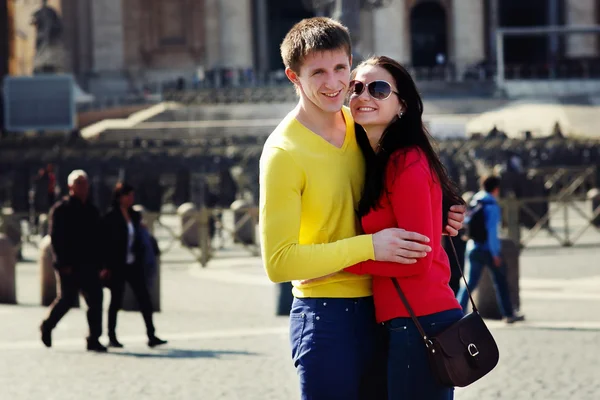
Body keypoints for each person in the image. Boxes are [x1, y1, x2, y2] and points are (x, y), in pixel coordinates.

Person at [259, 17, 466, 400]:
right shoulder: (282, 154)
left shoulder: (361, 121)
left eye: (341, 69)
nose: (334, 83)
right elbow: (278, 263)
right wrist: (369, 247)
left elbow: (406, 181)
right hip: (326, 316)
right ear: (293, 76)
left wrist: (445, 211)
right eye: (317, 72)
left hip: (385, 310)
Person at [343, 56, 466, 399]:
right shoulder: (379, 160)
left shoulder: (404, 160)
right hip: (407, 320)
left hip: (421, 320)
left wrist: (337, 258)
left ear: (401, 106)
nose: (364, 95)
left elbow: (419, 258)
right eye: (356, 87)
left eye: (378, 89)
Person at [40, 170, 107, 352]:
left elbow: (99, 239)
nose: (83, 187)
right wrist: (62, 264)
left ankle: (94, 338)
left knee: (95, 300)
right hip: (70, 265)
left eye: (84, 183)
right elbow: (56, 238)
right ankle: (47, 325)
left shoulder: (92, 210)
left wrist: (102, 265)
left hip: (90, 264)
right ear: (70, 187)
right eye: (78, 183)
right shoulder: (61, 209)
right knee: (67, 300)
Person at [101, 183, 167, 348]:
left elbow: (138, 237)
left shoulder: (135, 216)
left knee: (144, 298)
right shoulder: (111, 217)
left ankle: (151, 334)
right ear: (119, 197)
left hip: (133, 263)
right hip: (117, 264)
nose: (131, 198)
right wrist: (105, 265)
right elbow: (105, 242)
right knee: (115, 300)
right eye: (128, 195)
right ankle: (111, 336)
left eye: (132, 195)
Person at [456, 175, 525, 324]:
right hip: (487, 249)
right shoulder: (492, 205)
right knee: (500, 281)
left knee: (470, 283)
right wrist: (495, 253)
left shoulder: (475, 201)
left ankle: (457, 312)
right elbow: (492, 232)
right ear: (496, 189)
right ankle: (508, 313)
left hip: (473, 247)